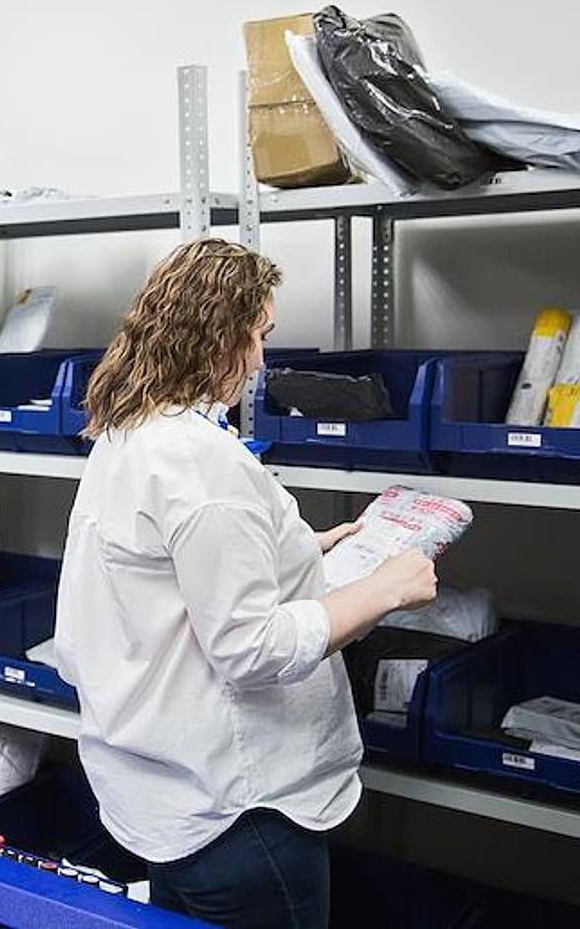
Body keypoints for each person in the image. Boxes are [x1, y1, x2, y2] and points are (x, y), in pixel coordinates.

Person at [53, 238, 437, 929]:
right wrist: (386, 590)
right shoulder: (201, 460)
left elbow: (169, 569)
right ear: (214, 338)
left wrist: (305, 548)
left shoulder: (131, 433)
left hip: (167, 802)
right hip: (240, 811)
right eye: (257, 337)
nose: (261, 360)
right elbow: (251, 648)